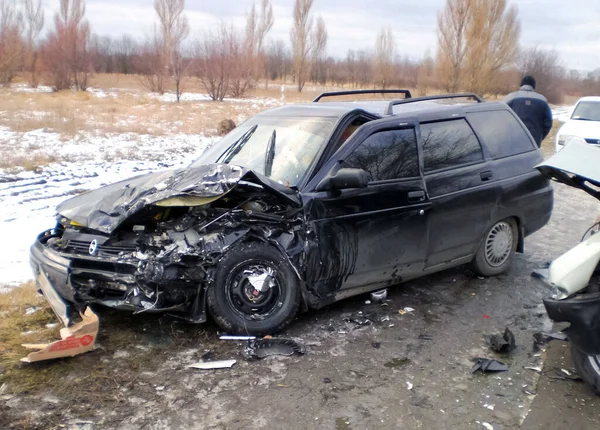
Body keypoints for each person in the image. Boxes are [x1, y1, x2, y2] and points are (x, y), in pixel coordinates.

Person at [504, 75, 553, 148]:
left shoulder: (510, 97)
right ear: (534, 86)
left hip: (513, 139)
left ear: (521, 85)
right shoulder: (543, 100)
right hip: (534, 140)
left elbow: (500, 117)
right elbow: (548, 122)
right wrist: (540, 137)